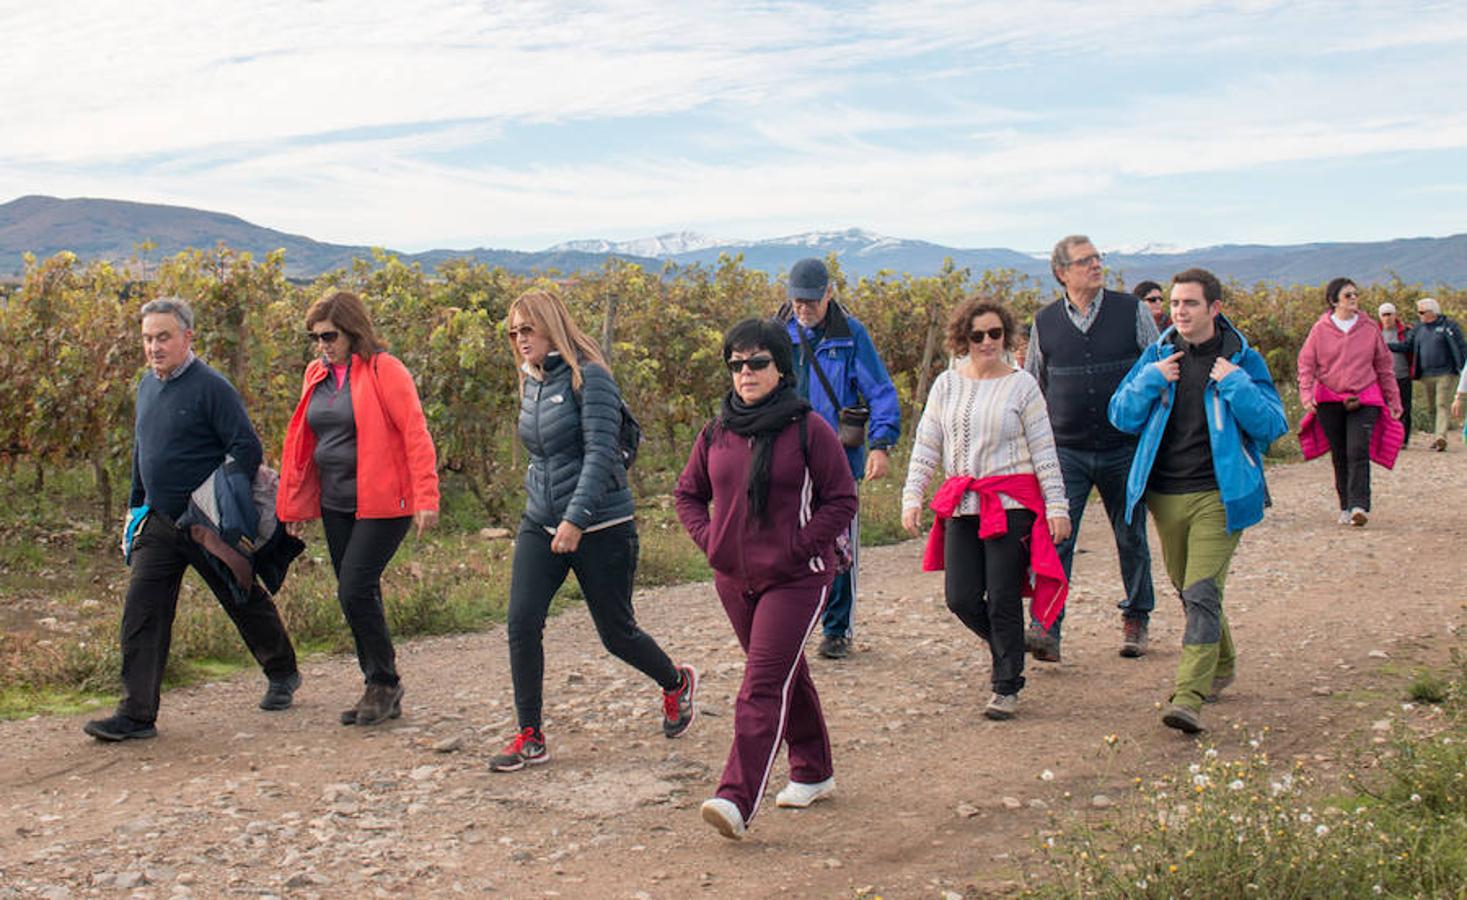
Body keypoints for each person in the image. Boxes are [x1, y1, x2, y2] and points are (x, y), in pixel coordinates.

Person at [492, 288, 697, 772]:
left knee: (617, 634)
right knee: (522, 622)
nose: (520, 340)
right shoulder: (532, 381)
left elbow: (602, 454)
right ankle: (531, 734)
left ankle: (676, 683)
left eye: (528, 329)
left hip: (602, 525)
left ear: (550, 326)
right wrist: (543, 507)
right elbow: (543, 454)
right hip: (540, 522)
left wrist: (575, 519)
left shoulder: (593, 378)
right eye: (513, 332)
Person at [84, 297, 301, 742]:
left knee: (239, 594)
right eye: (147, 338)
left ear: (187, 337)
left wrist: (218, 499)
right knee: (142, 612)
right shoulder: (147, 386)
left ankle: (282, 671)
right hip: (160, 522)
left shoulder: (211, 387)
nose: (154, 347)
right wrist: (135, 507)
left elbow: (246, 448)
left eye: (163, 337)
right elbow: (143, 451)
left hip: (205, 522)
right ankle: (137, 714)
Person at [675, 318, 858, 840]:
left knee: (760, 684)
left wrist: (798, 548)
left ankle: (735, 798)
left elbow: (842, 499)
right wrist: (711, 542)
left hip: (797, 580)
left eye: (757, 362)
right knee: (783, 672)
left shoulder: (808, 429)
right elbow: (688, 494)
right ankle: (814, 771)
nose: (745, 373)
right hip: (734, 580)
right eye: (736, 364)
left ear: (781, 367)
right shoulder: (717, 432)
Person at [1108, 268, 1287, 734]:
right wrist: (1150, 379)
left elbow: (1272, 425)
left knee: (1203, 591)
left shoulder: (1243, 360)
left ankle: (1188, 696)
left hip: (1219, 496)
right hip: (1165, 497)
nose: (1179, 312)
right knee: (1189, 590)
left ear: (1214, 308)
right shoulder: (1159, 355)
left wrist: (1235, 384)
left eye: (1190, 303)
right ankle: (1222, 665)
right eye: (1174, 303)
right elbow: (1120, 416)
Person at [901, 298, 1071, 721]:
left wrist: (1057, 505)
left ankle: (1006, 684)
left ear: (1006, 335)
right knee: (960, 597)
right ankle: (1009, 647)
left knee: (1002, 595)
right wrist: (912, 496)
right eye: (977, 335)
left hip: (1011, 501)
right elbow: (927, 443)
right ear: (964, 339)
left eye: (995, 333)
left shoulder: (1023, 386)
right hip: (962, 502)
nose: (987, 342)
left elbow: (1044, 449)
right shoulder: (946, 385)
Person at [276, 289, 440, 726]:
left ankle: (384, 681)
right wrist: (295, 505)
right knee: (357, 593)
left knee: (353, 587)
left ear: (352, 331)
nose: (322, 346)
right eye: (315, 338)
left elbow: (415, 433)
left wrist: (426, 496)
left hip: (384, 502)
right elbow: (302, 443)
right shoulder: (317, 374)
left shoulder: (385, 370)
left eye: (329, 336)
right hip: (336, 501)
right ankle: (379, 684)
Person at [1024, 235, 1160, 661]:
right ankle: (1046, 627)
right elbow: (1034, 385)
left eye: (1098, 258)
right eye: (1086, 261)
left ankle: (1137, 617)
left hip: (1124, 446)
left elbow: (1157, 366)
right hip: (1067, 450)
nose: (1096, 266)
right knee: (1056, 537)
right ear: (1062, 272)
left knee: (1131, 535)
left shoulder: (1131, 311)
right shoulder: (1044, 322)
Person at [779, 258, 900, 661]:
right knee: (786, 542)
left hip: (837, 460)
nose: (804, 308)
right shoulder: (778, 334)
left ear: (829, 293)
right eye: (797, 300)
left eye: (811, 300)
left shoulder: (851, 336)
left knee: (840, 547)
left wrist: (881, 444)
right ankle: (792, 622)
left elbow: (880, 391)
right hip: (787, 458)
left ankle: (836, 628)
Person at [1296, 279, 1402, 527]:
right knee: (1340, 453)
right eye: (1348, 295)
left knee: (1358, 450)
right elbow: (1306, 364)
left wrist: (1393, 398)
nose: (1354, 298)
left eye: (1356, 294)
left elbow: (1384, 366)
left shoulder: (1369, 328)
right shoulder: (1320, 330)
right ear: (1334, 301)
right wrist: (1306, 394)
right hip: (1329, 399)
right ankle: (1344, 505)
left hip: (1365, 397)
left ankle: (1359, 506)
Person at [1404, 297, 1466, 451]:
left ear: (1433, 312)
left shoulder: (1449, 327)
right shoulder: (1418, 329)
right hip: (1426, 374)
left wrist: (1463, 368)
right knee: (1431, 407)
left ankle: (1441, 436)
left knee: (1442, 404)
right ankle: (1436, 435)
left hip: (1446, 373)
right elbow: (1407, 345)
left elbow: (1461, 346)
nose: (1419, 315)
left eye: (1422, 312)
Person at [1378, 302, 1414, 447]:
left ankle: (1403, 439)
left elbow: (1409, 346)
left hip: (1402, 374)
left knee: (1404, 407)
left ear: (1395, 315)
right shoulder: (1375, 332)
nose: (1387, 318)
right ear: (1380, 317)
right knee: (1383, 408)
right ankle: (1385, 437)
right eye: (1384, 315)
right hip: (1382, 378)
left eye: (1389, 314)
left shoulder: (1404, 331)